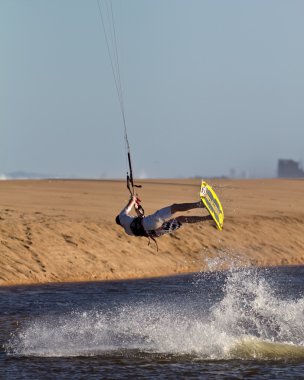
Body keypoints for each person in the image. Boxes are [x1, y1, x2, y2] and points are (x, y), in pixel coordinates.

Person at [115, 194, 213, 238]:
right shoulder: (122, 217)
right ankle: (200, 204)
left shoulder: (128, 231)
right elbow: (129, 205)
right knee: (175, 208)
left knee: (181, 219)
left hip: (156, 232)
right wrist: (133, 199)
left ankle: (209, 217)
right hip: (151, 222)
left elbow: (141, 224)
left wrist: (137, 209)